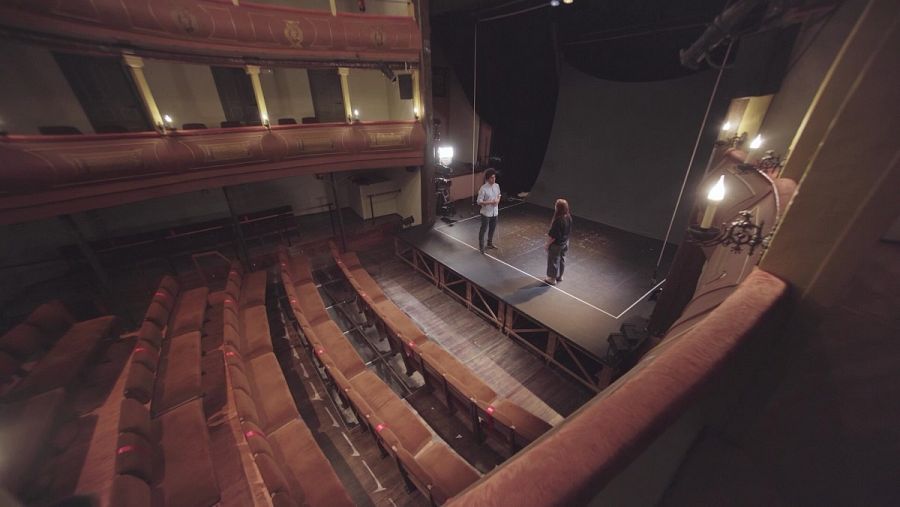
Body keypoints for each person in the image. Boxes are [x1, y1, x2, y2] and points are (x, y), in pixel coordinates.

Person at [544, 198, 572, 285]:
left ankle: (552, 279)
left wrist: (547, 244)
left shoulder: (558, 220)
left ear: (558, 208)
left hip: (557, 245)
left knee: (553, 260)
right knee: (562, 258)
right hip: (565, 242)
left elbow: (553, 236)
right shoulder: (568, 217)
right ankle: (560, 276)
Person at [476, 169, 501, 253]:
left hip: (495, 212)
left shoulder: (497, 186)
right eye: (491, 178)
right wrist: (490, 202)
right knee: (483, 229)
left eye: (494, 177)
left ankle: (489, 243)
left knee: (492, 229)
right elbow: (479, 201)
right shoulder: (483, 188)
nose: (493, 179)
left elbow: (499, 195)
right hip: (486, 213)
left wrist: (497, 200)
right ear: (487, 179)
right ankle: (481, 246)